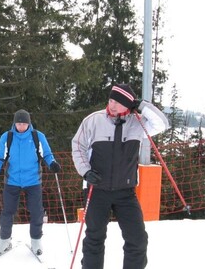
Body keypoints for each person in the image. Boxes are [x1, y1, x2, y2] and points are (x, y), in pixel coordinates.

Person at [71, 84, 169, 269]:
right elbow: (78, 146)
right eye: (111, 100)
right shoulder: (93, 120)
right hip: (96, 190)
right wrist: (85, 171)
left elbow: (162, 123)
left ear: (128, 105)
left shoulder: (138, 123)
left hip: (126, 192)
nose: (113, 105)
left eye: (119, 102)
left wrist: (141, 105)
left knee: (138, 239)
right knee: (94, 238)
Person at [0, 109, 61, 257]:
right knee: (8, 211)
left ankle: (36, 239)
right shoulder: (7, 137)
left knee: (36, 211)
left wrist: (52, 163)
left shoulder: (37, 137)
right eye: (18, 123)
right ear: (14, 123)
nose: (21, 126)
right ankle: (4, 240)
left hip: (33, 180)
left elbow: (47, 154)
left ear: (29, 123)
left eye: (24, 123)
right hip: (12, 180)